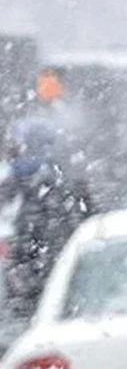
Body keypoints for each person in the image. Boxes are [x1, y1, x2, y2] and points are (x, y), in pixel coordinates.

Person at [4, 117, 95, 321]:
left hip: (37, 289)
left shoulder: (40, 186)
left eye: (17, 144)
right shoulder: (52, 180)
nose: (12, 152)